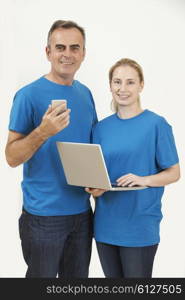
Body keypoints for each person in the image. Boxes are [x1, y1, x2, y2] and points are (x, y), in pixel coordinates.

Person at [5, 20, 97, 278]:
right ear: (48, 52)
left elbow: (92, 148)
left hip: (82, 213)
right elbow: (11, 157)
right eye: (60, 47)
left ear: (83, 53)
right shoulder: (28, 95)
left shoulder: (85, 94)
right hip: (43, 218)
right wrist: (44, 131)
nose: (67, 54)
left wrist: (98, 181)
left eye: (74, 47)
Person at [86, 58, 180, 278]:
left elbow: (174, 173)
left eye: (130, 82)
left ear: (141, 85)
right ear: (110, 85)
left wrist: (144, 179)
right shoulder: (100, 128)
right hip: (106, 225)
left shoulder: (156, 124)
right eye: (117, 82)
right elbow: (99, 173)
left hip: (139, 226)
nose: (122, 88)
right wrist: (95, 188)